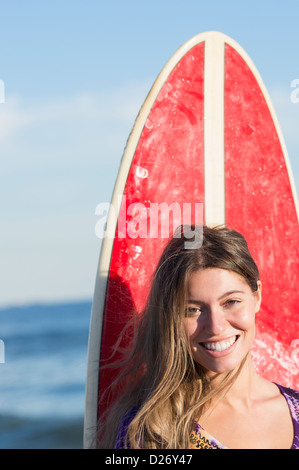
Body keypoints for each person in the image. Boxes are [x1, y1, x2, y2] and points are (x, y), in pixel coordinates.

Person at [97, 225, 299, 449]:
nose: (215, 326)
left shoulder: (296, 409)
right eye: (192, 309)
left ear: (257, 296)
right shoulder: (153, 433)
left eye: (231, 302)